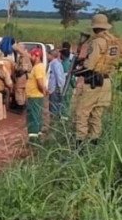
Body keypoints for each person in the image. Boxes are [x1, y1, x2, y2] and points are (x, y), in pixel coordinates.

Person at [74, 14, 120, 147]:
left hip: (94, 82)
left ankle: (80, 146)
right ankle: (94, 144)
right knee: (97, 115)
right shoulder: (114, 41)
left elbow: (90, 64)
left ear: (95, 28)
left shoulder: (97, 42)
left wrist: (81, 65)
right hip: (106, 82)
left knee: (82, 113)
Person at [25, 47, 47, 141]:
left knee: (33, 117)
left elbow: (40, 82)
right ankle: (37, 137)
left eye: (32, 55)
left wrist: (43, 91)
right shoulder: (38, 67)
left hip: (35, 96)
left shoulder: (38, 67)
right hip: (35, 95)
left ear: (36, 56)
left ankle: (33, 140)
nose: (31, 57)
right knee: (36, 116)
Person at [11, 42, 33, 114]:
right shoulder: (25, 56)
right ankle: (22, 106)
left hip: (21, 76)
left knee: (19, 91)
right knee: (22, 92)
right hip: (25, 76)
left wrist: (15, 66)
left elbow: (23, 68)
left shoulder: (23, 57)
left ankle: (20, 108)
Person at [47, 49, 66, 120]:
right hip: (54, 88)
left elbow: (59, 77)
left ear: (51, 55)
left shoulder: (55, 64)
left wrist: (60, 88)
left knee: (53, 107)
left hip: (55, 88)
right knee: (54, 106)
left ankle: (54, 123)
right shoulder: (53, 63)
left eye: (48, 55)